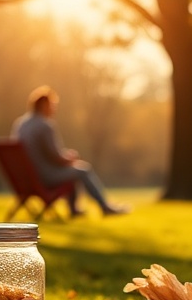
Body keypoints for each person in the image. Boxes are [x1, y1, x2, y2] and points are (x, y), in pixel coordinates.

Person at [11, 86, 129, 217]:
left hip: (26, 178)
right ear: (44, 105)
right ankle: (104, 206)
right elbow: (56, 157)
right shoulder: (45, 125)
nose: (54, 109)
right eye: (52, 105)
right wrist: (70, 158)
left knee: (72, 170)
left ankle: (75, 209)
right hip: (44, 177)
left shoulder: (21, 124)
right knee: (82, 169)